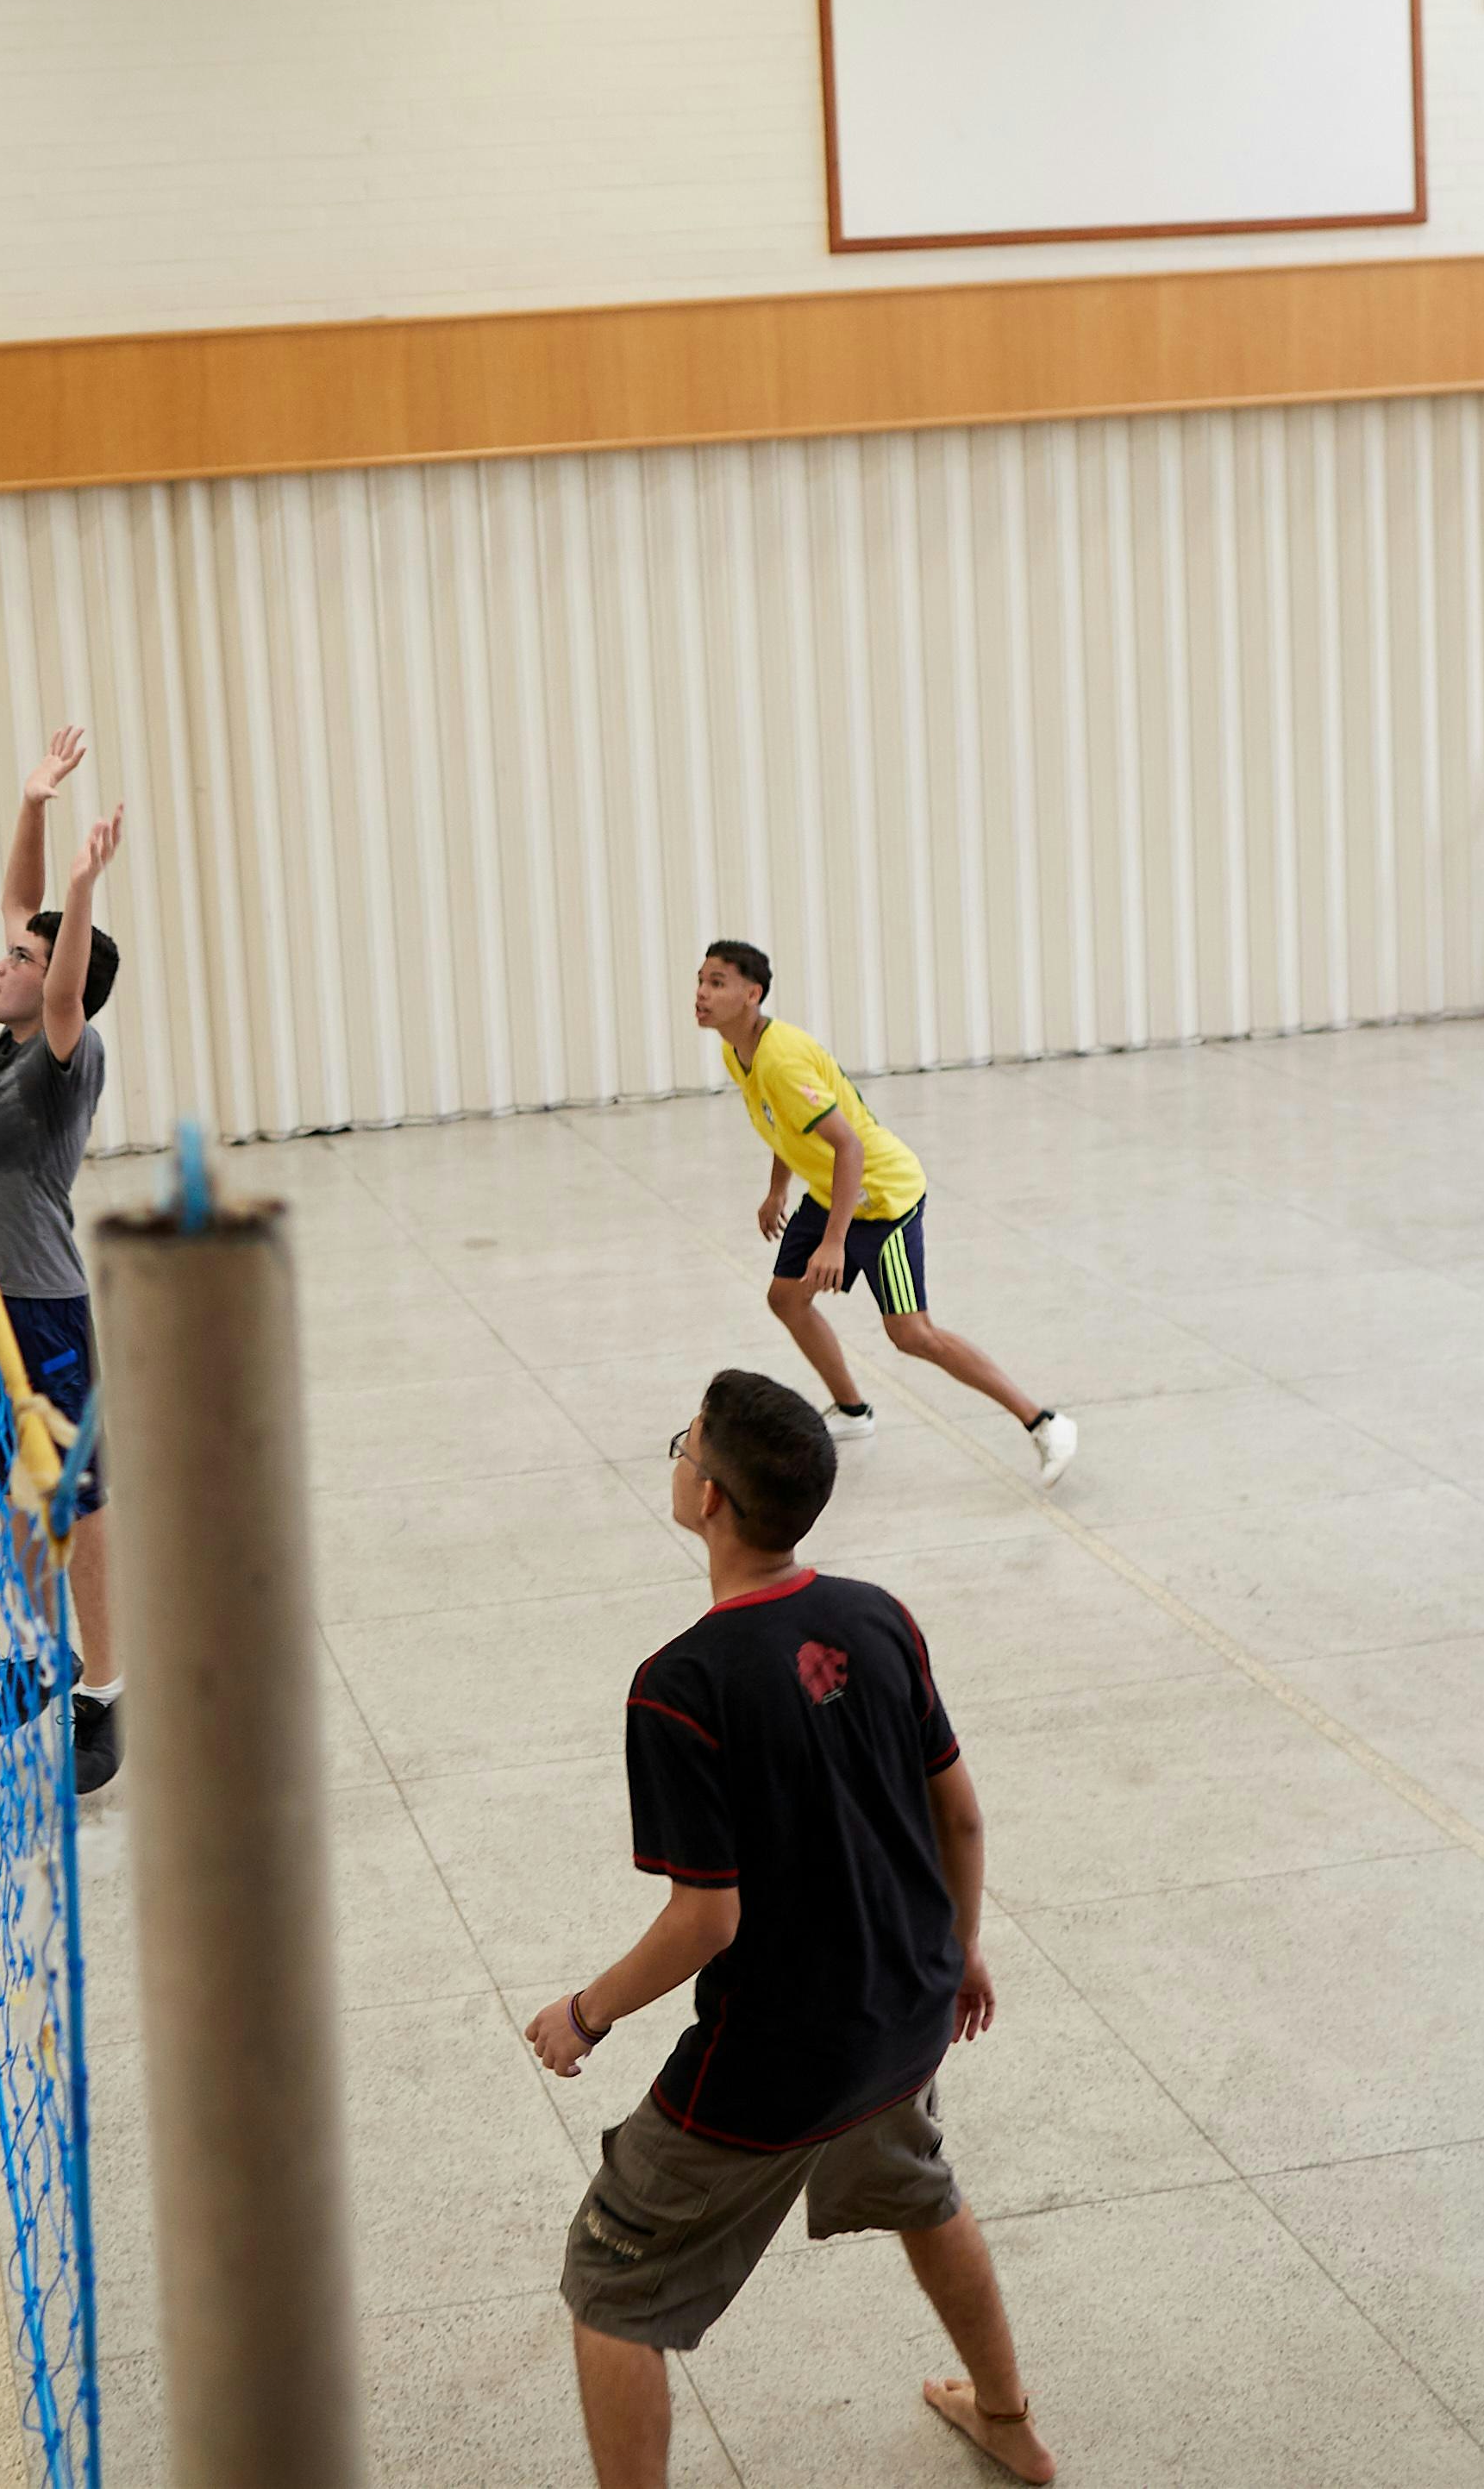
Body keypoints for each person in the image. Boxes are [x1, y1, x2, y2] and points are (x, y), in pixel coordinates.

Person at [523, 1370, 1054, 2489]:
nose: (679, 1460)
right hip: (904, 2009)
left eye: (684, 1446)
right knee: (919, 2187)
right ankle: (1009, 2417)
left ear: (710, 1497)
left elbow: (706, 1918)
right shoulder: (877, 1614)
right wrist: (959, 1949)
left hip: (775, 2062)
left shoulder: (680, 1686)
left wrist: (586, 2011)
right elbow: (960, 1812)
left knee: (612, 2285)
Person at [692, 942, 1077, 1489]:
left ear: (752, 995)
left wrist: (833, 1242)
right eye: (701, 981)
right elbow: (786, 1125)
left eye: (717, 983)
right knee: (786, 1297)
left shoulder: (781, 1059)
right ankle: (853, 1412)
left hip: (881, 1196)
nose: (702, 994)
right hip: (831, 1190)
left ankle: (1044, 1422)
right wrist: (777, 1191)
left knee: (912, 1334)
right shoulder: (739, 1052)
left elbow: (849, 1145)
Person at [0, 727, 129, 1793]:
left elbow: (61, 985)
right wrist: (33, 805)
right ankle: (38, 1651)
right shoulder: (12, 1035)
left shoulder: (63, 1057)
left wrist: (81, 884)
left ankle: (105, 1690)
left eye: (22, 960)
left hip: (40, 1307)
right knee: (16, 1491)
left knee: (77, 1497)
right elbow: (20, 909)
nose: (4, 959)